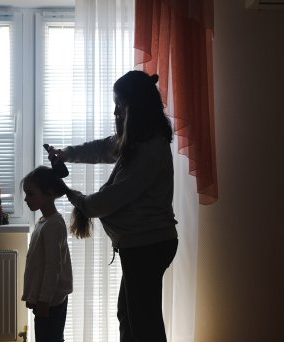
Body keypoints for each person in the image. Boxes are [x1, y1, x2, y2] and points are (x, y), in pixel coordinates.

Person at [46, 70, 178, 342]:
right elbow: (103, 148)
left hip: (147, 247)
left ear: (136, 107)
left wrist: (72, 196)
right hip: (140, 245)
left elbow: (107, 201)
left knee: (144, 325)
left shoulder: (150, 150)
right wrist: (68, 153)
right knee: (129, 317)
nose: (115, 111)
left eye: (121, 105)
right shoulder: (138, 139)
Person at [21, 166, 73, 342]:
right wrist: (32, 294)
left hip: (51, 301)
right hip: (45, 298)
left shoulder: (53, 226)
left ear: (49, 193)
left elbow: (53, 267)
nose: (26, 199)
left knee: (50, 338)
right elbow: (38, 264)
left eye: (30, 194)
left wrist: (43, 300)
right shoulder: (44, 221)